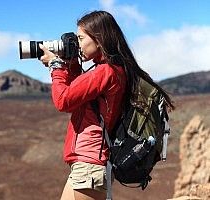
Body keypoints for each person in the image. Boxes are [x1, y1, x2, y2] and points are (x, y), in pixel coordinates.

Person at [39, 10, 174, 200]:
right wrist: (71, 65)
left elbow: (64, 100)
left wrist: (56, 66)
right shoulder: (112, 70)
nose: (77, 44)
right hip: (88, 165)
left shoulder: (106, 71)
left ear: (99, 38)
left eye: (80, 38)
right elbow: (80, 94)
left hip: (90, 164)